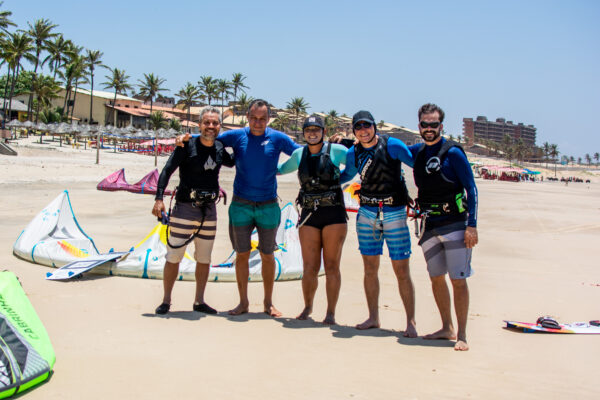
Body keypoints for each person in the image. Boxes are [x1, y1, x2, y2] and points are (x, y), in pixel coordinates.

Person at [179, 99, 299, 317]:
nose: (258, 122)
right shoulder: (237, 135)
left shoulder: (278, 138)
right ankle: (243, 302)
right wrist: (186, 138)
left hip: (269, 205)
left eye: (262, 118)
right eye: (254, 118)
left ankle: (268, 303)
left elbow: (301, 154)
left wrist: (280, 169)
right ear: (247, 117)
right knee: (242, 255)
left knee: (268, 255)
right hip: (241, 205)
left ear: (268, 119)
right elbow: (209, 137)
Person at [338, 111, 417, 337]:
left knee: (401, 269)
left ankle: (410, 322)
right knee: (370, 269)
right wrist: (326, 181)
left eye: (367, 125)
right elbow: (347, 176)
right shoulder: (354, 153)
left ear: (374, 126)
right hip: (367, 214)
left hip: (394, 213)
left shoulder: (393, 145)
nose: (363, 130)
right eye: (359, 127)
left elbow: (416, 164)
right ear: (354, 131)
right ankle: (373, 317)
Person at [152, 106, 234, 315]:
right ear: (199, 125)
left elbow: (233, 162)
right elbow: (167, 170)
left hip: (209, 211)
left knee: (204, 258)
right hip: (185, 209)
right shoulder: (186, 145)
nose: (211, 126)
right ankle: (166, 300)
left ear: (219, 126)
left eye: (215, 123)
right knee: (174, 256)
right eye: (207, 122)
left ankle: (199, 301)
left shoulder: (218, 147)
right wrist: (159, 198)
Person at [409, 103, 478, 351]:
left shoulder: (453, 153)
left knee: (457, 279)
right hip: (429, 226)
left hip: (455, 224)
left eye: (434, 124)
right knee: (436, 278)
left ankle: (462, 335)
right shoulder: (417, 152)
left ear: (441, 126)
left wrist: (472, 225)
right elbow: (389, 151)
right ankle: (446, 327)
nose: (429, 129)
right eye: (425, 124)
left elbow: (471, 188)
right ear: (419, 126)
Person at [277, 114, 348, 324]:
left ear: (323, 132)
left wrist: (342, 178)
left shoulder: (336, 151)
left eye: (316, 130)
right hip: (309, 214)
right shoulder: (299, 154)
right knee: (310, 267)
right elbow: (280, 170)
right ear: (304, 133)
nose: (312, 133)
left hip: (333, 213)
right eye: (308, 130)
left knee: (332, 265)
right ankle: (307, 307)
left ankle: (331, 313)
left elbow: (358, 160)